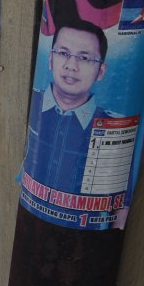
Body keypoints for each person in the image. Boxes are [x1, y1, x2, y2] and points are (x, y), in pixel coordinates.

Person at [24, 20, 110, 194]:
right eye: (63, 53)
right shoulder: (27, 100)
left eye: (84, 58)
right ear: (50, 60)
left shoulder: (109, 125)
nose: (71, 66)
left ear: (100, 71)